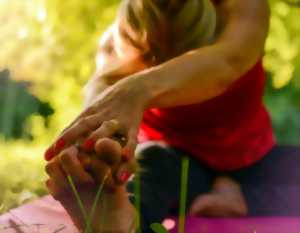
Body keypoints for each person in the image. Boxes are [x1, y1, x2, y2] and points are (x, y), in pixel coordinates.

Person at [44, 0, 300, 233]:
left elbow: (227, 63)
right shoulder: (126, 31)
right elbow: (99, 98)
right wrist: (91, 156)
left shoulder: (244, 9)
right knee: (151, 166)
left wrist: (134, 90)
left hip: (255, 160)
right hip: (174, 162)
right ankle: (121, 220)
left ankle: (240, 197)